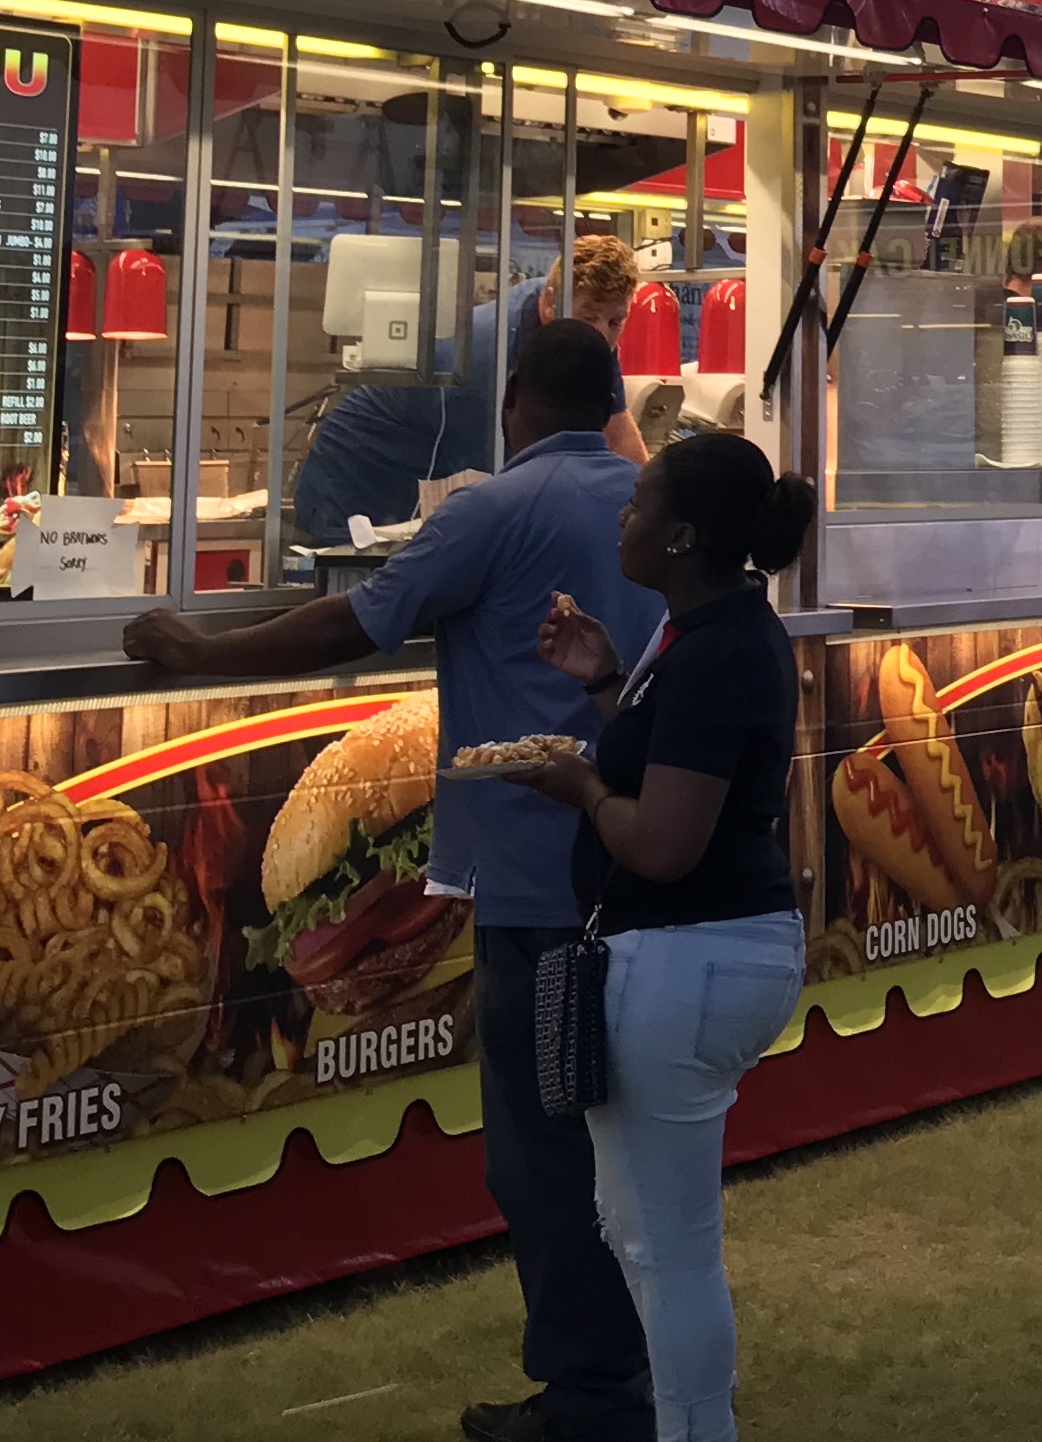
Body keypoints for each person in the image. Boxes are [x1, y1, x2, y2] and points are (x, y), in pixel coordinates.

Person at [125, 322, 664, 1442]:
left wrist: (198, 651)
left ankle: (597, 1398)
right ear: (611, 396)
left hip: (535, 885)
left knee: (544, 1155)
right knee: (624, 1144)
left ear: (511, 397)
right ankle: (649, 1373)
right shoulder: (656, 505)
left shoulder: (494, 509)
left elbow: (352, 622)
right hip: (643, 871)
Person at [507, 432, 816, 1442]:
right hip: (698, 954)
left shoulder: (720, 648)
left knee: (667, 1245)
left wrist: (581, 785)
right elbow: (669, 778)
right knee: (643, 1230)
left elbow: (664, 843)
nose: (621, 520)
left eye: (638, 506)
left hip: (688, 955)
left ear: (681, 536)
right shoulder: (696, 631)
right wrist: (605, 685)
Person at [298, 232, 648, 542]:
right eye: (589, 318)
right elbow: (511, 481)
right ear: (550, 302)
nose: (602, 333)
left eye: (617, 321)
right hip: (352, 481)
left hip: (417, 485)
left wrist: (655, 511)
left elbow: (618, 436)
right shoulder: (487, 352)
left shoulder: (588, 340)